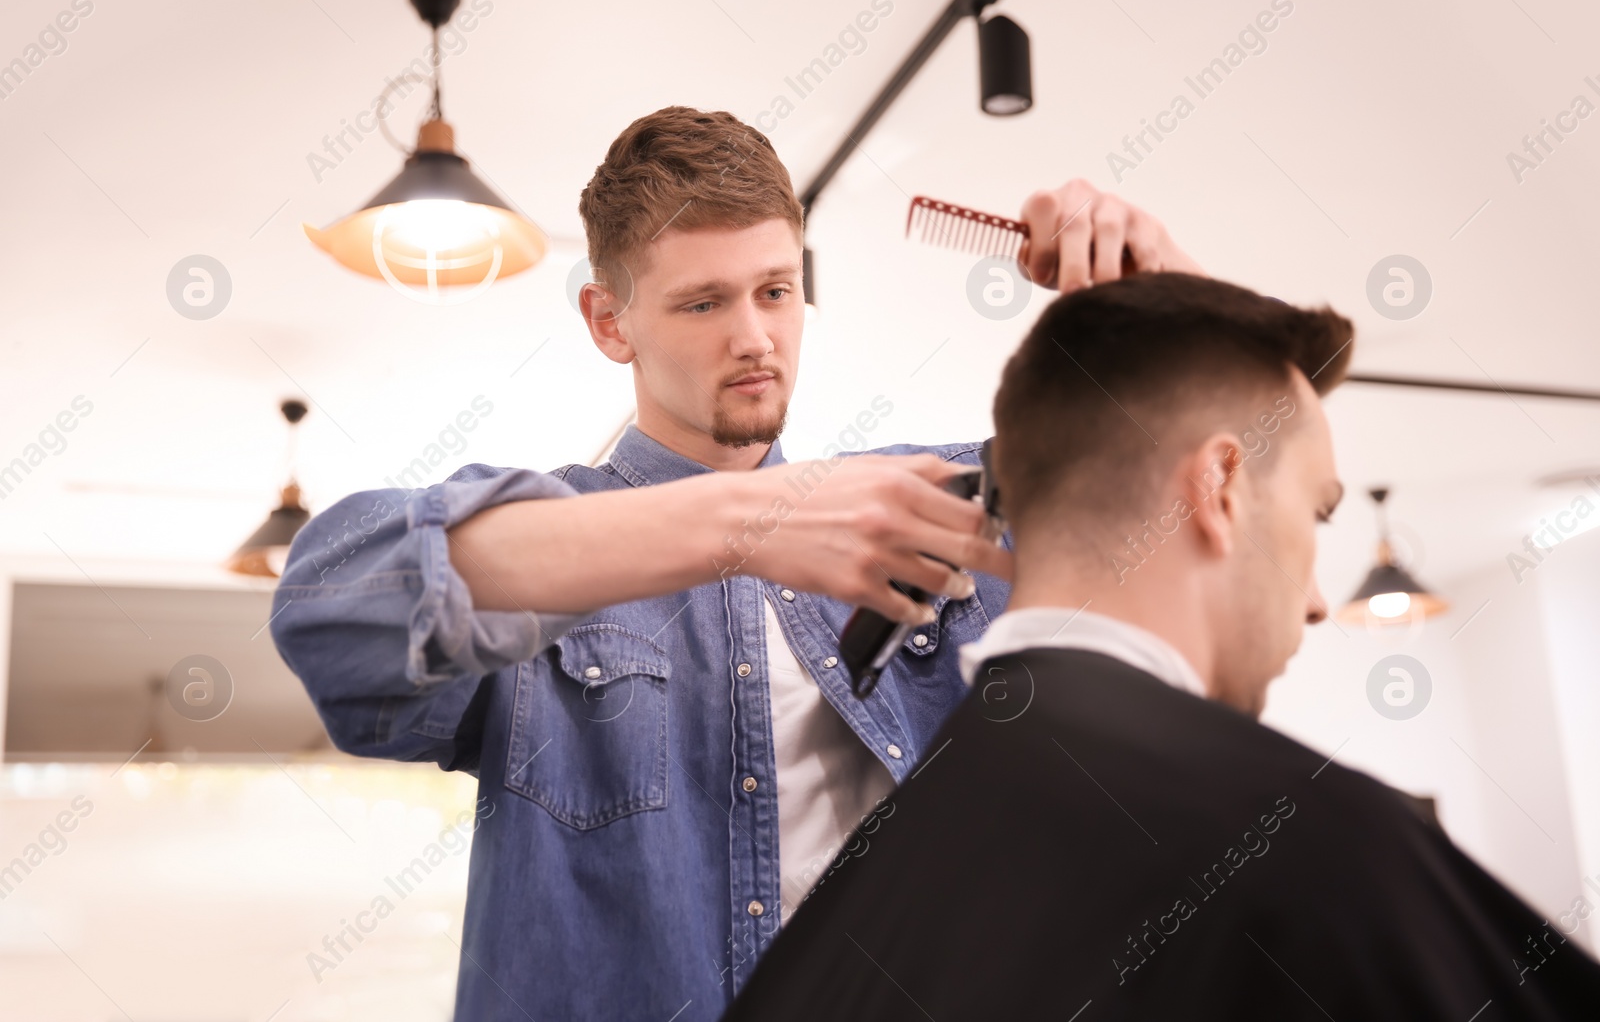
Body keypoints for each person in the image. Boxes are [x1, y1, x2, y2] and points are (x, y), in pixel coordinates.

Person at [268, 105, 1205, 1020]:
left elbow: (1237, 476)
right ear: (610, 323)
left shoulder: (926, 504)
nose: (755, 336)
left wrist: (1174, 300)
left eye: (776, 289)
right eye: (703, 301)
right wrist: (747, 522)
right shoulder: (554, 546)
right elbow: (331, 607)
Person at [721, 272, 1600, 1021]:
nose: (1320, 600)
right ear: (1219, 486)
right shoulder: (1317, 852)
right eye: (1315, 512)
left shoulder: (834, 937)